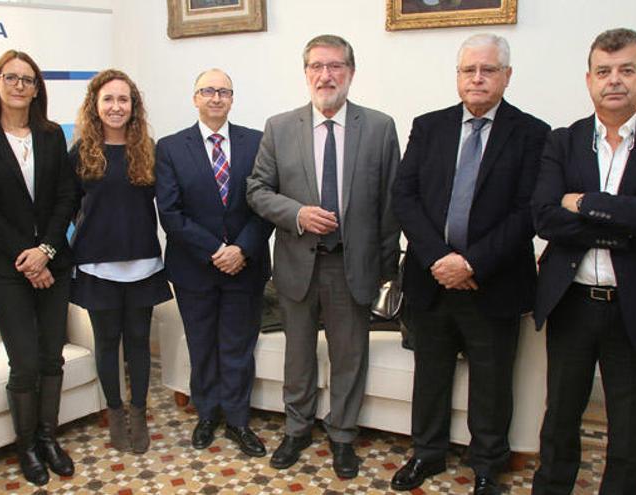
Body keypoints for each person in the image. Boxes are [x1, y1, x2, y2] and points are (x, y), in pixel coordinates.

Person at [531, 28, 636, 495]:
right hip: (572, 302)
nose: (615, 81)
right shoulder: (563, 141)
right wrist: (633, 214)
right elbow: (544, 218)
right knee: (560, 417)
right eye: (604, 71)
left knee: (628, 427)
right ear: (589, 80)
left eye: (626, 70)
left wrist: (582, 203)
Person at [389, 33, 549, 495]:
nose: (477, 78)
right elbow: (405, 195)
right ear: (457, 76)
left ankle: (486, 466)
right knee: (431, 374)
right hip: (430, 281)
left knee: (493, 380)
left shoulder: (533, 133)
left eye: (488, 70)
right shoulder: (429, 125)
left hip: (493, 283)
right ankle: (427, 454)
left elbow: (528, 211)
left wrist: (471, 263)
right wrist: (439, 258)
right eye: (468, 70)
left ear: (507, 76)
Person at [246, 34, 400, 479]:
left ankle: (343, 436)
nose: (326, 75)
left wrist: (387, 269)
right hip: (298, 262)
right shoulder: (279, 127)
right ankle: (296, 429)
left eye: (335, 66)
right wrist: (296, 214)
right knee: (297, 353)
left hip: (353, 265)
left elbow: (391, 202)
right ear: (306, 73)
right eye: (317, 66)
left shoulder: (380, 127)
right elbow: (257, 190)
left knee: (350, 354)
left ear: (351, 72)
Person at [0, 50, 78, 486]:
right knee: (25, 360)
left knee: (52, 357)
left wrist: (46, 250)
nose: (19, 86)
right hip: (7, 268)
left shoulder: (50, 135)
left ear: (36, 88)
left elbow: (67, 196)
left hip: (53, 263)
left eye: (28, 80)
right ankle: (26, 445)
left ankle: (49, 438)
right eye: (11, 77)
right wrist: (28, 258)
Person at [155, 69, 271, 457]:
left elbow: (266, 204)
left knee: (238, 345)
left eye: (223, 91)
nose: (216, 98)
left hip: (246, 265)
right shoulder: (171, 147)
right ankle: (207, 414)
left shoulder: (257, 142)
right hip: (194, 268)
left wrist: (241, 249)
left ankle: (238, 420)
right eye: (208, 90)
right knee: (202, 343)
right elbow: (170, 213)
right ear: (195, 98)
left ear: (232, 99)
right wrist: (216, 251)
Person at [69, 69, 172, 455]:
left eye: (123, 100)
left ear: (134, 106)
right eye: (108, 99)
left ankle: (139, 412)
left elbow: (170, 203)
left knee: (139, 344)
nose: (116, 106)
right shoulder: (80, 153)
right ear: (96, 105)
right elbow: (64, 207)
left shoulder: (148, 148)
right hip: (97, 266)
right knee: (107, 343)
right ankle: (115, 413)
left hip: (143, 263)